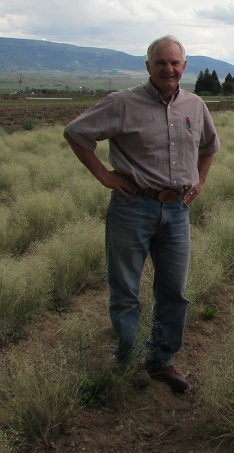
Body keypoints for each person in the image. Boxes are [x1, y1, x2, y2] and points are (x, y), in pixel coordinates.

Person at [64, 35, 219, 393]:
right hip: (133, 207)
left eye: (175, 63)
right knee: (126, 291)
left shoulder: (195, 106)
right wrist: (105, 176)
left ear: (184, 66)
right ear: (147, 66)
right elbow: (76, 133)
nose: (169, 69)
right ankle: (129, 360)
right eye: (161, 62)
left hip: (177, 209)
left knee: (174, 291)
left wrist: (200, 180)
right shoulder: (122, 103)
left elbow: (210, 146)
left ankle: (162, 359)